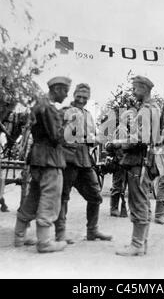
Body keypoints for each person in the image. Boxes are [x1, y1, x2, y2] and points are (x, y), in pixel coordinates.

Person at [14, 76, 70, 253]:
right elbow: (56, 137)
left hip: (37, 158)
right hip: (50, 160)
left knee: (34, 196)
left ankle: (19, 236)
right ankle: (45, 242)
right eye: (65, 91)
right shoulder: (50, 109)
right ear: (57, 90)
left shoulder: (39, 104)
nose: (66, 96)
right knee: (50, 198)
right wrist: (67, 123)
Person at [55, 83, 112, 243]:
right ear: (74, 95)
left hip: (85, 160)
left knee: (95, 195)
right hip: (67, 160)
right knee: (63, 196)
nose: (81, 100)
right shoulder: (64, 112)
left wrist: (97, 139)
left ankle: (92, 231)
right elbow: (59, 135)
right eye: (79, 96)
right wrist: (87, 138)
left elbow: (93, 135)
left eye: (85, 98)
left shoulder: (88, 115)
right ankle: (60, 234)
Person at [115, 75, 162, 256]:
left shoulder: (148, 109)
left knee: (138, 201)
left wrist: (119, 143)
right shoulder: (148, 108)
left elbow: (141, 139)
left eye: (135, 88)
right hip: (142, 160)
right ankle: (142, 243)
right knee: (142, 200)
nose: (133, 92)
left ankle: (137, 244)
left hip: (140, 161)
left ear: (144, 88)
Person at [105, 142, 128, 217]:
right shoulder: (119, 131)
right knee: (117, 186)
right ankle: (114, 209)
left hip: (127, 161)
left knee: (124, 186)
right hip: (119, 163)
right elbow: (108, 146)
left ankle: (122, 207)